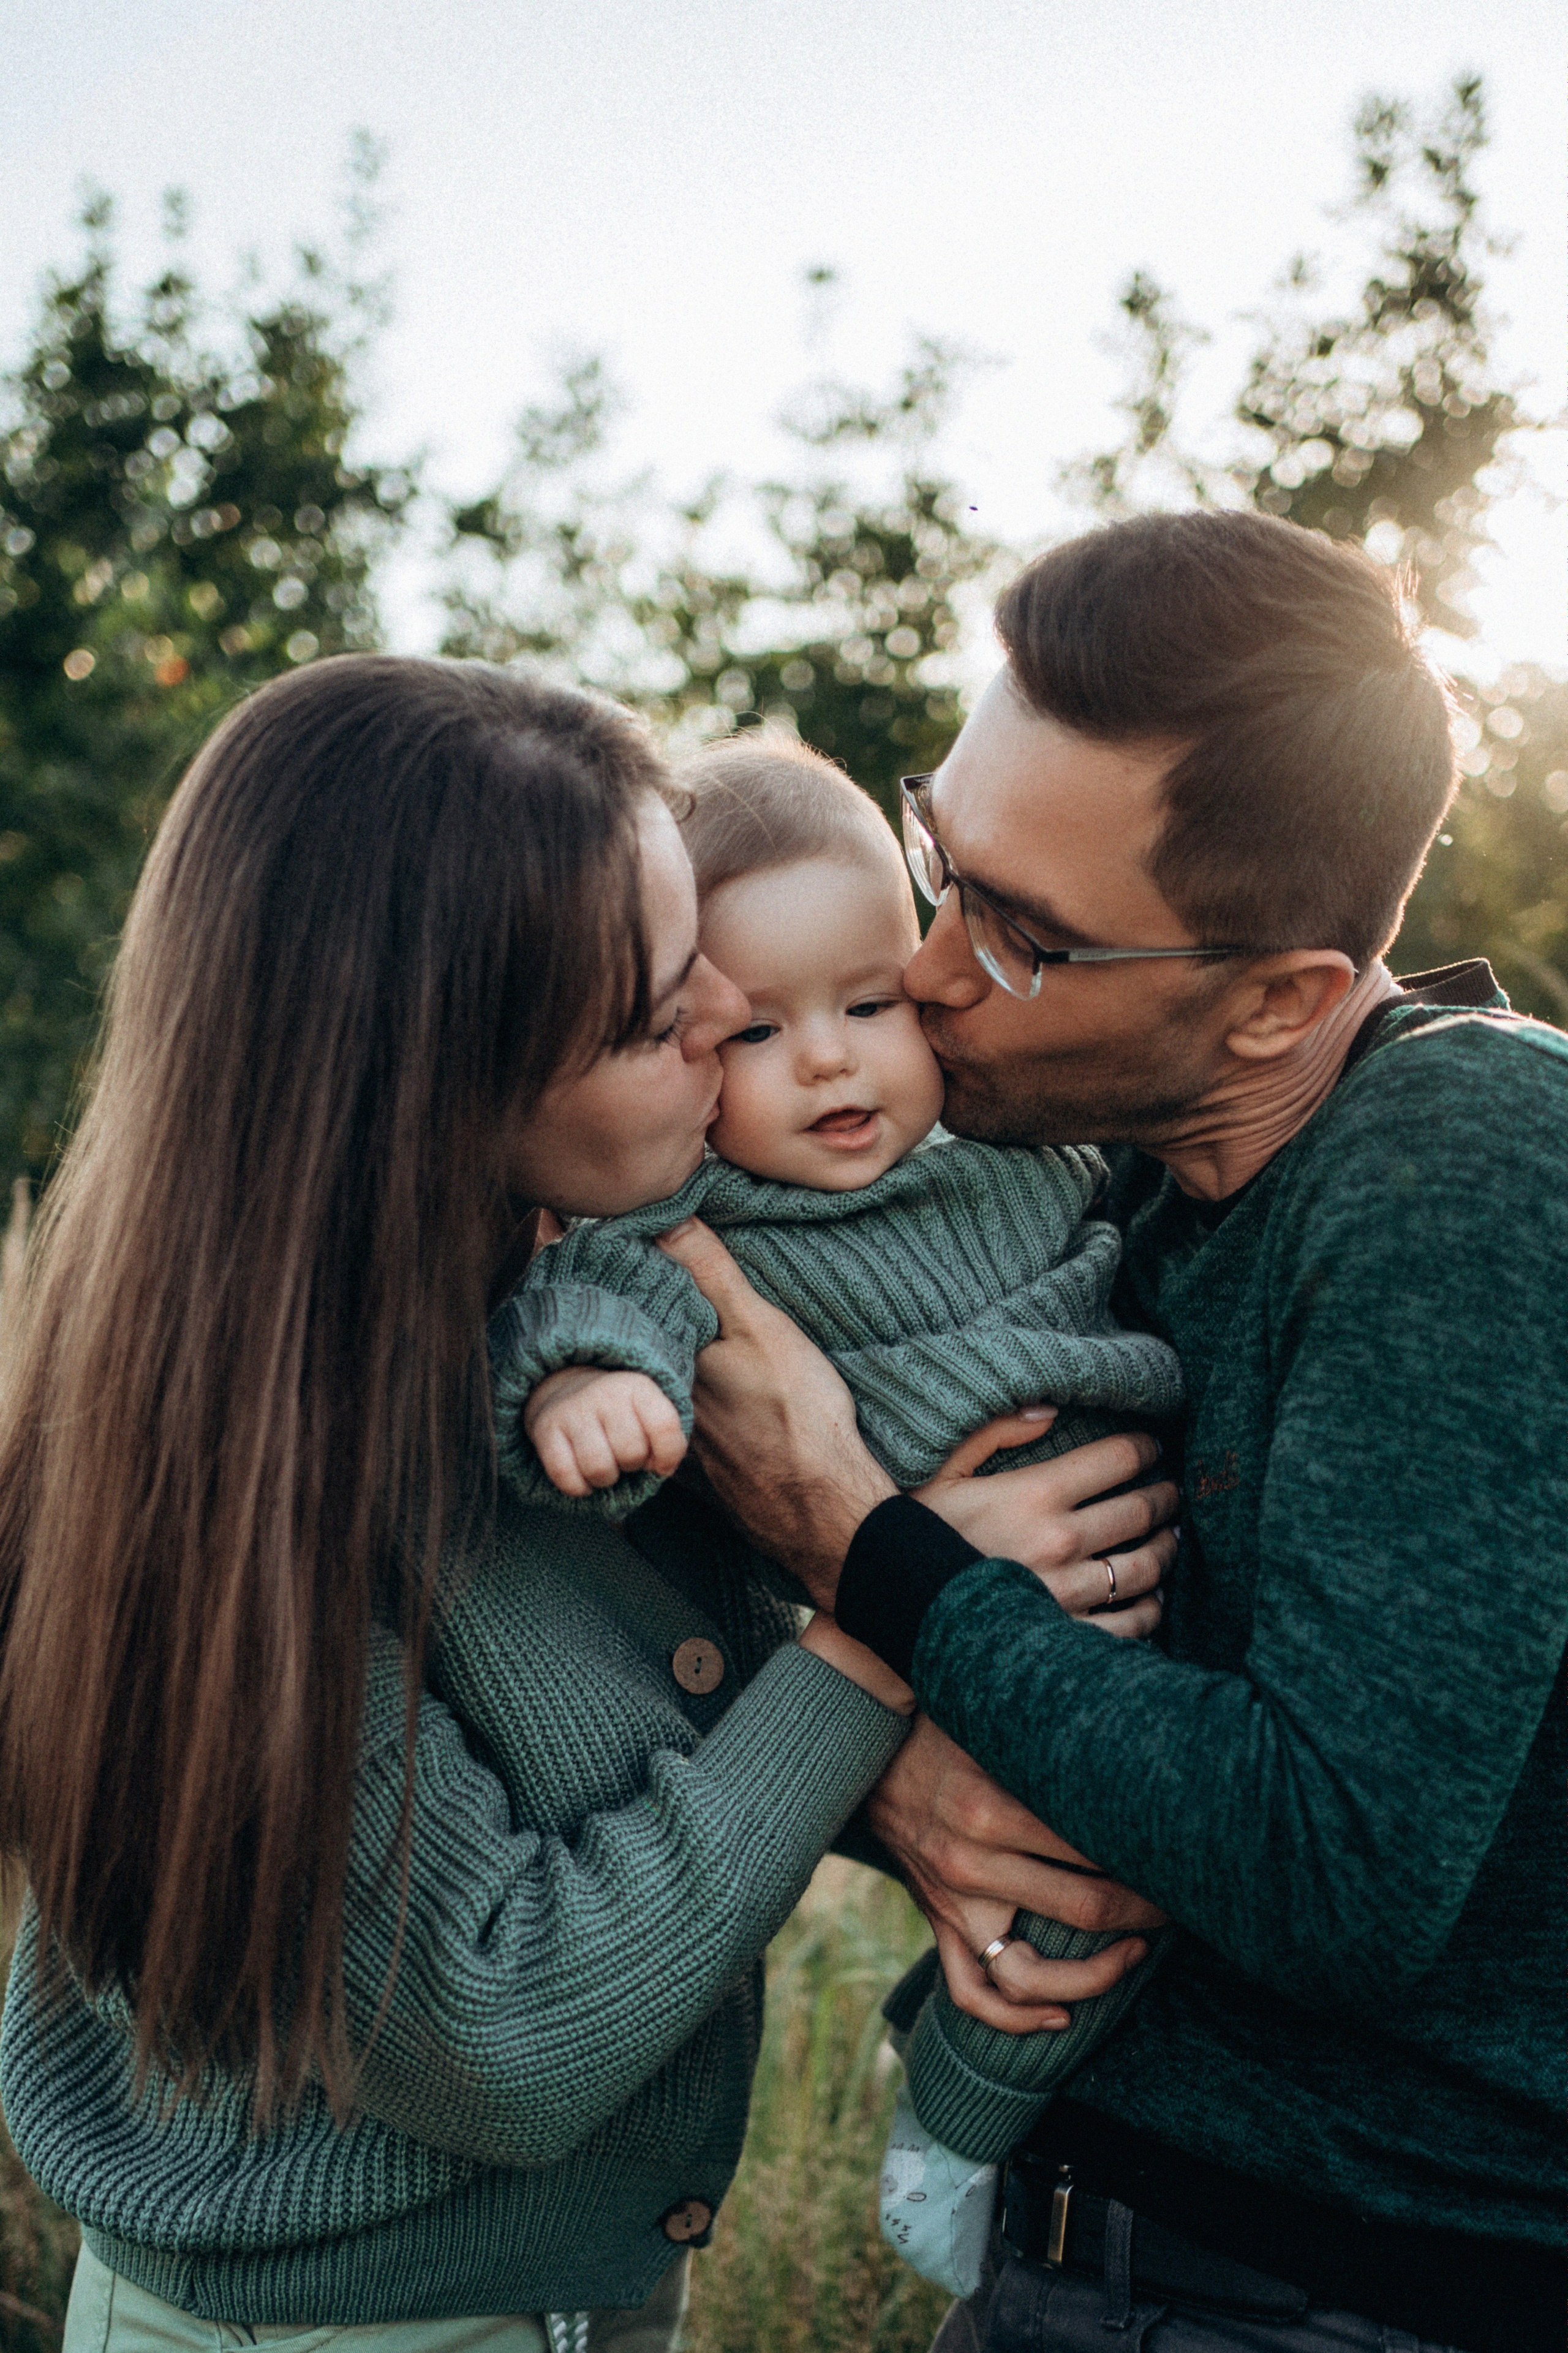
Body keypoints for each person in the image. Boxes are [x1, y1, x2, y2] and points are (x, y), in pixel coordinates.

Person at [0, 657, 1150, 2352]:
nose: (728, 1034)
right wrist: (894, 1610)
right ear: (437, 1083)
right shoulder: (232, 1488)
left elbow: (664, 1730)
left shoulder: (582, 1288)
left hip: (584, 2292)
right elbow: (505, 2032)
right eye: (656, 1014)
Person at [650, 511, 1568, 2353]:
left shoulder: (1463, 1167)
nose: (928, 972)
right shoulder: (1104, 1194)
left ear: (1282, 1001)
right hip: (1104, 2240)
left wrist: (864, 1545)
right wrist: (885, 1774)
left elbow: (1331, 1867)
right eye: (942, 865)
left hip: (1335, 2287)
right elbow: (1000, 1689)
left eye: (1025, 935)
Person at [488, 733, 1184, 2296]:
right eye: (755, 1030)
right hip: (945, 1620)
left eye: (868, 1004)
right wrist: (577, 1391)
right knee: (1055, 1899)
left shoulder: (1019, 1152)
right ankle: (952, 2132)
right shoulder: (698, 1211)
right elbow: (591, 1296)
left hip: (1122, 1560)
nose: (828, 1061)